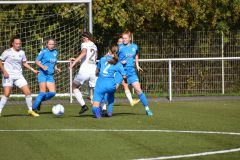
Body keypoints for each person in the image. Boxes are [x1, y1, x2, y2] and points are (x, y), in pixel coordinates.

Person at [0, 36, 39, 117]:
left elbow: (24, 63)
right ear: (12, 44)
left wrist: (33, 70)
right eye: (16, 43)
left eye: (19, 43)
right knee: (7, 93)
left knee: (28, 92)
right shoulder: (7, 52)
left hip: (19, 76)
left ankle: (30, 111)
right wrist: (4, 71)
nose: (18, 45)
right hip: (8, 76)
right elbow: (0, 62)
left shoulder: (22, 52)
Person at [118, 31, 153, 116]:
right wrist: (120, 62)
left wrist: (137, 64)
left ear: (130, 38)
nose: (123, 40)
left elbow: (136, 54)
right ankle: (102, 107)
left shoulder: (134, 46)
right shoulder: (120, 47)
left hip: (132, 72)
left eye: (125, 38)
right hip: (121, 72)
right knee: (111, 89)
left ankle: (147, 109)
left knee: (138, 90)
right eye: (123, 38)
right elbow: (113, 57)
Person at [92, 44, 127, 119]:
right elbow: (124, 76)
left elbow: (96, 72)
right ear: (117, 52)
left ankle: (97, 111)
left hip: (100, 84)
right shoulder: (117, 62)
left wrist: (98, 74)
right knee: (111, 94)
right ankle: (110, 112)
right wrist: (126, 82)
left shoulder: (102, 59)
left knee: (94, 108)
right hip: (111, 84)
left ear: (109, 50)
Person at [69, 32, 98, 115]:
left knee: (74, 86)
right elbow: (92, 59)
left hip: (84, 70)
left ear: (87, 38)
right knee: (98, 91)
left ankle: (83, 106)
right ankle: (103, 109)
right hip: (94, 70)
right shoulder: (94, 46)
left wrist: (73, 63)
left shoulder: (84, 44)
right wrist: (76, 59)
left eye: (83, 37)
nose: (83, 39)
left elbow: (84, 53)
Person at [32, 38, 61, 111]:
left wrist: (56, 68)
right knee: (42, 93)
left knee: (52, 93)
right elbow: (37, 61)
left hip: (50, 75)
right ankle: (33, 109)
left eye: (52, 44)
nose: (51, 45)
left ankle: (39, 101)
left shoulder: (55, 52)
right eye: (50, 44)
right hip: (43, 74)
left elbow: (53, 63)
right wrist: (43, 66)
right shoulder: (43, 51)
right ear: (47, 45)